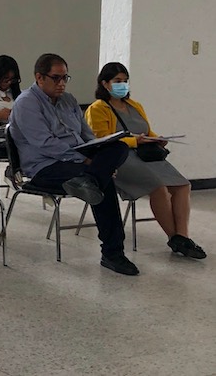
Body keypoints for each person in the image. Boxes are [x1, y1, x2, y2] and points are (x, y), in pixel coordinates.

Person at [9, 53, 136, 275]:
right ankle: (113, 253)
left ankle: (91, 178)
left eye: (65, 78)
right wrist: (88, 161)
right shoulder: (26, 102)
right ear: (39, 77)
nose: (62, 83)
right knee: (104, 182)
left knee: (119, 147)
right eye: (56, 78)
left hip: (79, 162)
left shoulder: (68, 100)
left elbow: (87, 135)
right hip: (44, 166)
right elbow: (44, 143)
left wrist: (97, 154)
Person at [85, 62, 205, 259]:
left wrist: (157, 139)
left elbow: (146, 130)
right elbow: (102, 140)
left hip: (145, 154)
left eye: (125, 81)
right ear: (105, 83)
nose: (122, 85)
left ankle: (182, 237)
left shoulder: (135, 105)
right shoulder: (98, 108)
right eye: (117, 81)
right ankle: (173, 237)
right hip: (121, 157)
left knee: (183, 185)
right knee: (158, 187)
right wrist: (134, 141)